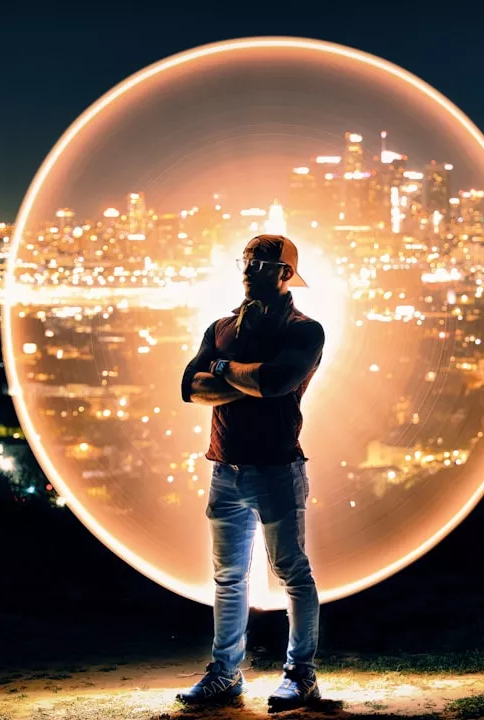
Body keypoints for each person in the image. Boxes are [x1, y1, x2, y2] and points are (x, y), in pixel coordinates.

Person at [176, 234, 325, 711]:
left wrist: (224, 372)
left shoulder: (305, 331)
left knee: (291, 575)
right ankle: (225, 673)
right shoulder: (221, 327)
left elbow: (277, 382)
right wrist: (247, 377)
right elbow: (189, 387)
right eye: (246, 259)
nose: (249, 268)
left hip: (277, 468)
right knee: (227, 578)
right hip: (226, 468)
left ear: (284, 273)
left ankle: (300, 675)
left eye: (261, 262)